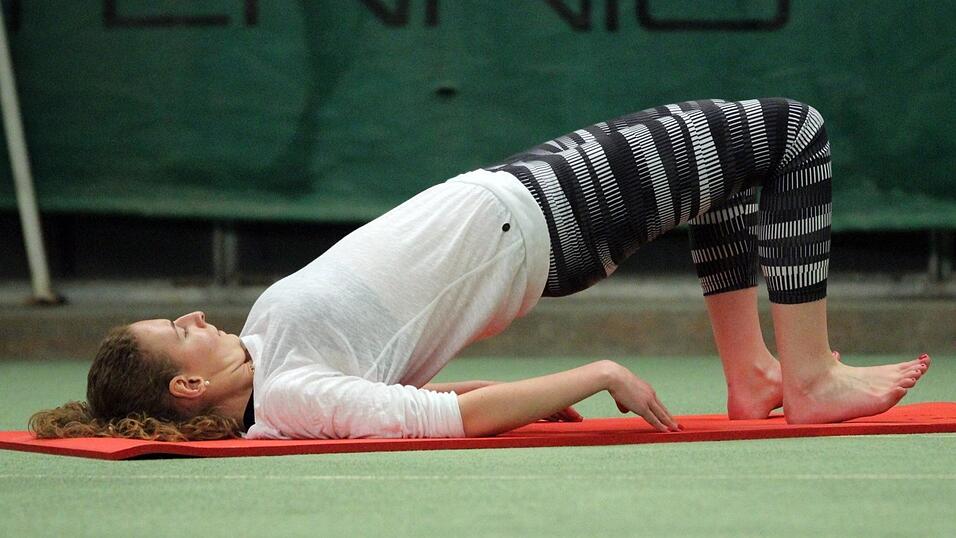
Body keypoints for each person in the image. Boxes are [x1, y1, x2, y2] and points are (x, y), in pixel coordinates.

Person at [30, 98, 930, 442]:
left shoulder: (274, 355)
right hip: (547, 216)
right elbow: (446, 420)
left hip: (525, 195)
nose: (192, 317)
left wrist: (525, 390)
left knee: (728, 181)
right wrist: (600, 371)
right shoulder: (296, 394)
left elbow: (419, 378)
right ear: (188, 384)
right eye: (177, 331)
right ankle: (807, 378)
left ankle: (756, 376)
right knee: (791, 133)